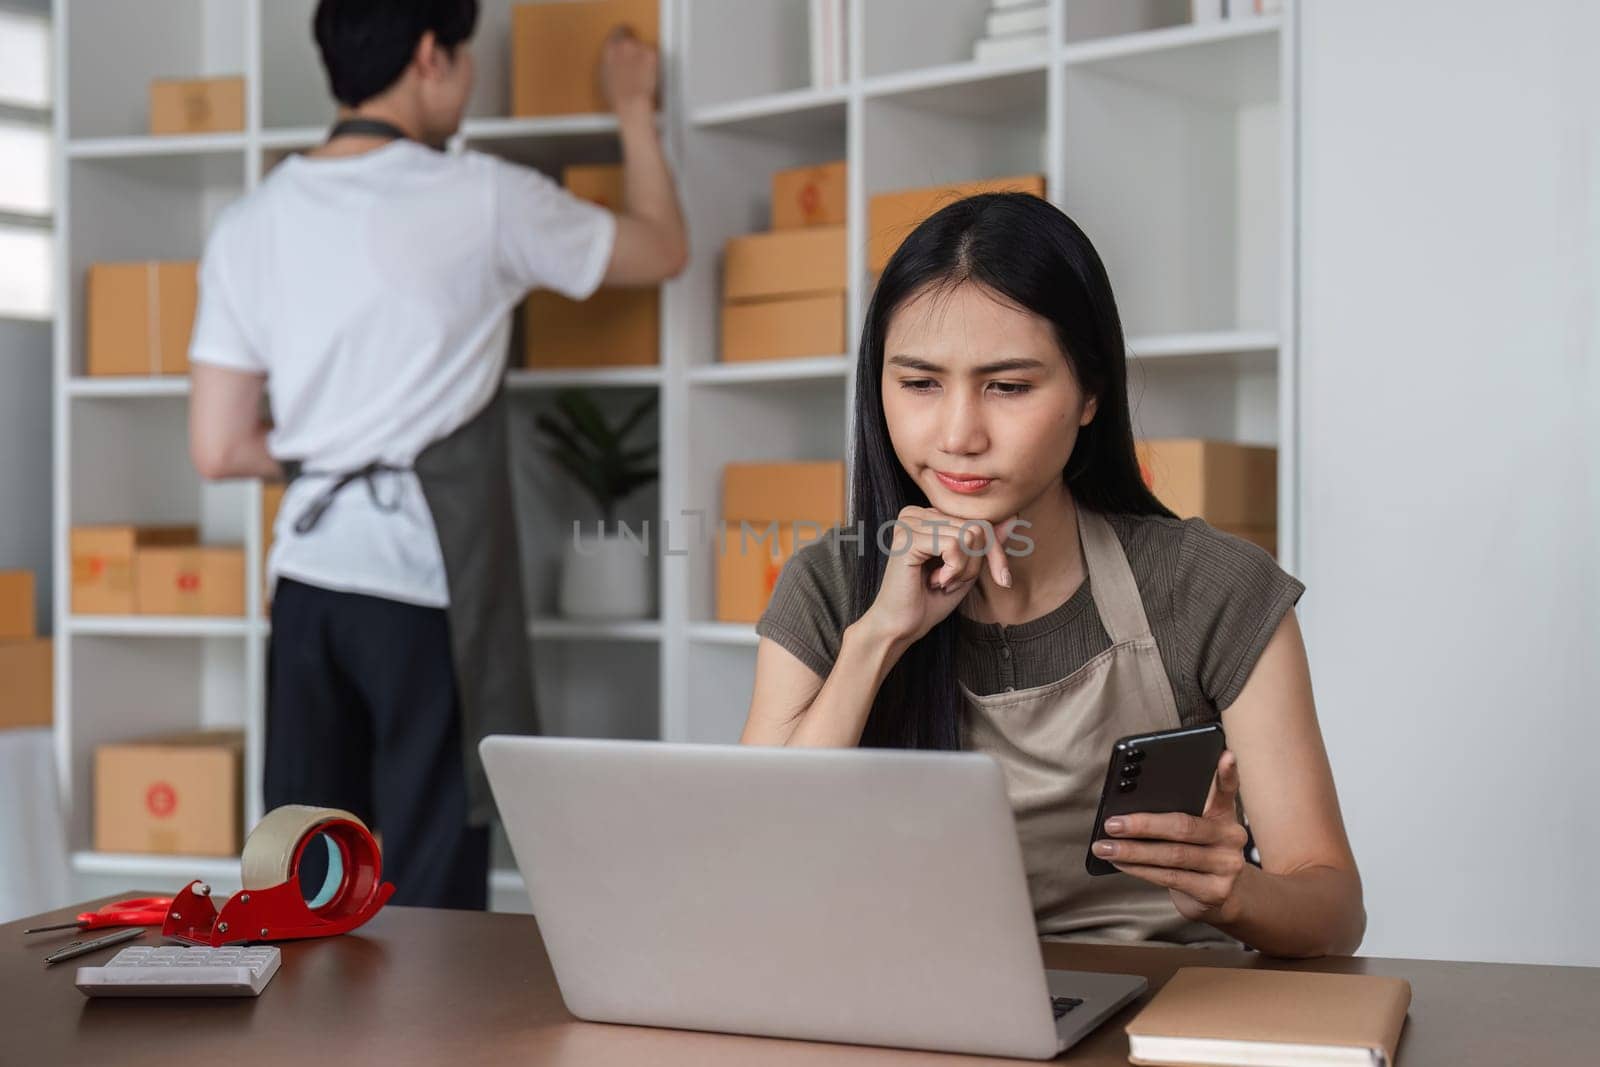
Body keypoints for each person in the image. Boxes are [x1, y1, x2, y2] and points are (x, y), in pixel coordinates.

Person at [741, 193, 1364, 958]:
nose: (959, 433)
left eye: (1008, 386)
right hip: (926, 1009)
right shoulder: (830, 587)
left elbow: (1334, 907)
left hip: (1169, 1012)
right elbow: (764, 857)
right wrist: (878, 637)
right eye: (919, 383)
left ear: (1090, 394)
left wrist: (1239, 892)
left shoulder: (1211, 588)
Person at [187, 0, 687, 909]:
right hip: (423, 588)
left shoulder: (248, 223)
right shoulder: (480, 195)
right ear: (430, 57)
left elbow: (218, 448)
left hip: (304, 585)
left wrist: (321, 455)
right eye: (465, 56)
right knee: (426, 885)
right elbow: (663, 249)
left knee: (297, 880)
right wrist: (631, 110)